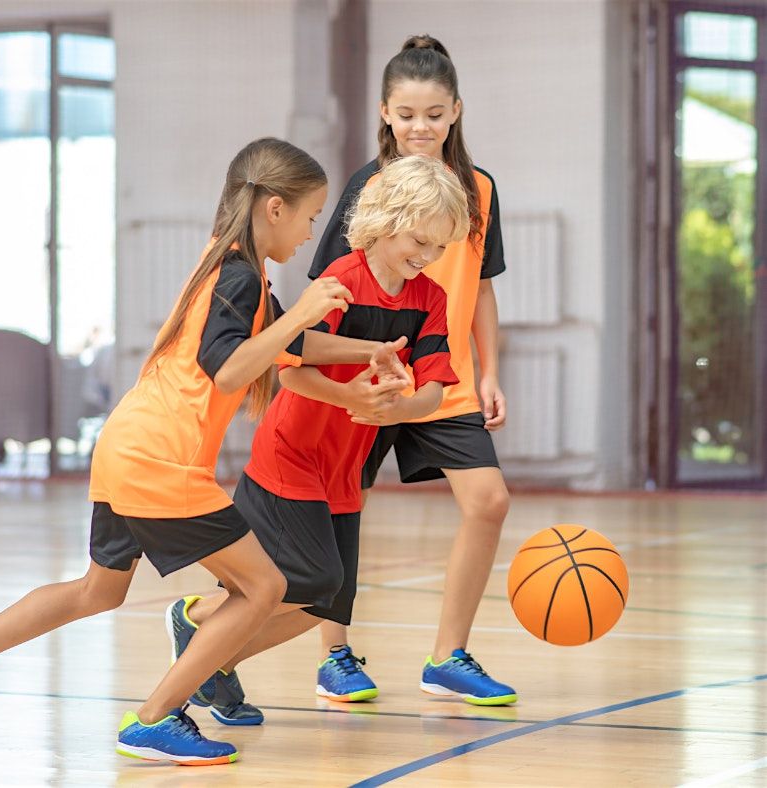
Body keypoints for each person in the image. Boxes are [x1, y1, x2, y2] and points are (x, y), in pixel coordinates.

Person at [0, 137, 404, 766]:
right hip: (160, 461)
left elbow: (293, 346)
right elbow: (228, 371)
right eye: (309, 215)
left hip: (128, 448)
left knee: (97, 591)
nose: (311, 232)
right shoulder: (240, 275)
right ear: (274, 208)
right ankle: (155, 718)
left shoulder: (229, 267)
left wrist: (370, 352)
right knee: (263, 586)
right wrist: (299, 312)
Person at [166, 154, 469, 725]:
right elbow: (292, 371)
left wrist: (403, 405)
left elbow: (434, 390)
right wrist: (355, 399)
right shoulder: (337, 286)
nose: (427, 258)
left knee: (326, 600)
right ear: (384, 218)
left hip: (347, 470)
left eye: (438, 249)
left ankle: (212, 656)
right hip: (292, 456)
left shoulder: (430, 300)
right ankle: (197, 630)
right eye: (419, 241)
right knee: (308, 581)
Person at [306, 34, 516, 707]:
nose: (419, 127)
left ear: (455, 110)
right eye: (405, 114)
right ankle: (334, 655)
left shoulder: (478, 190)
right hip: (366, 377)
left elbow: (480, 286)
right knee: (345, 510)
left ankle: (448, 656)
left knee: (489, 501)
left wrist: (487, 371)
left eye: (432, 113)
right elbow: (328, 289)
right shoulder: (368, 188)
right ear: (384, 114)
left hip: (440, 378)